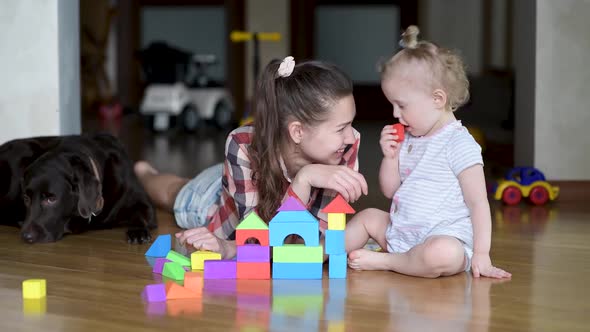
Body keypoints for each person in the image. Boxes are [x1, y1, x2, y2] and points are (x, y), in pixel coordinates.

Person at [135, 56, 368, 259]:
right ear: (297, 132)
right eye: (341, 128)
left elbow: (314, 242)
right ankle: (143, 172)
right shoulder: (242, 144)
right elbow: (256, 239)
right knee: (173, 193)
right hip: (218, 199)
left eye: (351, 124)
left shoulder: (345, 145)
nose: (351, 136)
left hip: (246, 180)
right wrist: (304, 179)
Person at [345, 26, 511, 279]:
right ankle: (318, 253)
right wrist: (390, 158)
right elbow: (390, 190)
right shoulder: (411, 138)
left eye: (401, 105)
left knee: (442, 253)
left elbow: (478, 204)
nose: (395, 114)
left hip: (440, 241)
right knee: (368, 217)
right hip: (402, 235)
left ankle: (389, 261)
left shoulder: (459, 144)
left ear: (437, 99)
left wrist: (481, 254)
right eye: (392, 105)